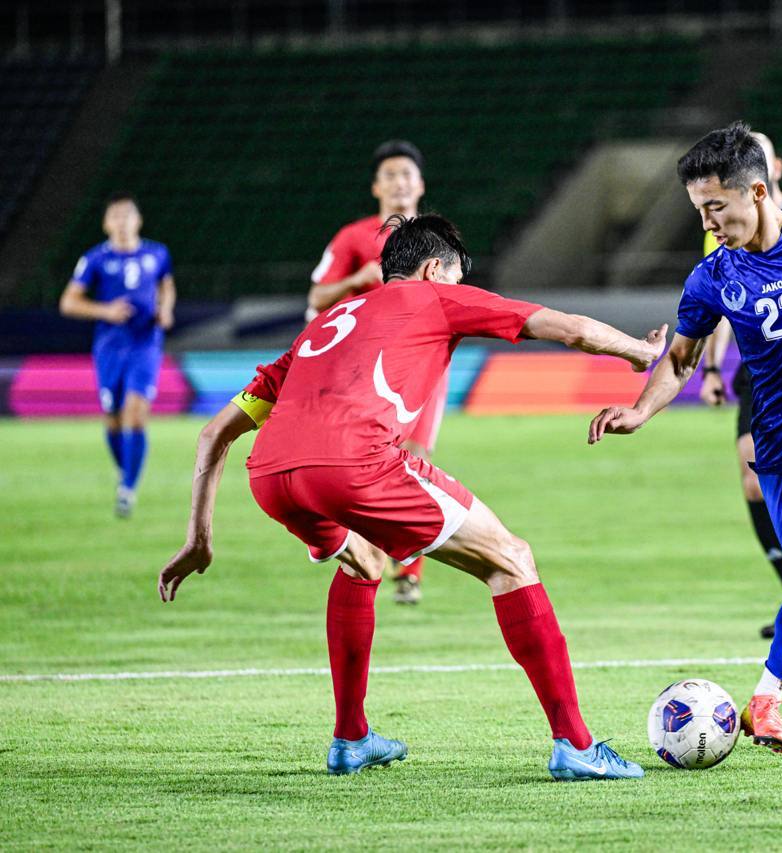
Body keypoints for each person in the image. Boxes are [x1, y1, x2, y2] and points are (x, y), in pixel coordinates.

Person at [157, 213, 664, 780]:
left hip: (273, 477)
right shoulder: (435, 298)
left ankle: (351, 738)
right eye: (455, 277)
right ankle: (576, 745)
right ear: (432, 269)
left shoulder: (325, 324)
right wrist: (641, 354)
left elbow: (215, 434)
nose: (458, 287)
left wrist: (198, 540)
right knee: (512, 560)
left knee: (363, 562)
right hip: (355, 465)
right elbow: (567, 328)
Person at [588, 123, 782, 755]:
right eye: (699, 210)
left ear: (757, 191)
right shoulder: (713, 275)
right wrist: (641, 411)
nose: (708, 222)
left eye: (715, 207)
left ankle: (766, 699)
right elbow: (680, 359)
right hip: (779, 454)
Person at [308, 139, 439, 604]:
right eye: (391, 175)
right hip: (364, 368)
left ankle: (409, 570)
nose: (400, 182)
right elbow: (317, 298)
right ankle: (369, 558)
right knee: (366, 462)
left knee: (416, 458)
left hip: (422, 364)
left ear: (420, 185)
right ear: (376, 187)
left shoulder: (438, 240)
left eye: (407, 174)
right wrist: (356, 280)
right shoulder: (353, 237)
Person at [696, 131, 782, 639]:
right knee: (753, 478)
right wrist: (712, 369)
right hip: (760, 368)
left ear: (772, 170)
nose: (710, 219)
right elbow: (718, 301)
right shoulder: (722, 226)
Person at [59, 192, 175, 518]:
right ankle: (127, 471)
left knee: (135, 414)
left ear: (138, 220)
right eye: (115, 216)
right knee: (112, 418)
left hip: (145, 344)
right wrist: (105, 310)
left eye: (127, 215)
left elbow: (167, 286)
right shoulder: (95, 259)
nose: (122, 222)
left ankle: (127, 489)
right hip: (110, 347)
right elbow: (68, 302)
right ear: (106, 224)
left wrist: (165, 310)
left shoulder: (157, 253)